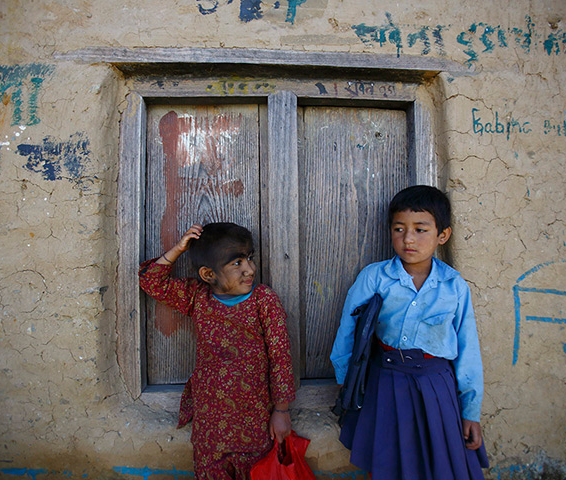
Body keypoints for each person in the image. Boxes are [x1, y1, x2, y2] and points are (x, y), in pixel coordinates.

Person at [330, 185, 489, 480]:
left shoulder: (454, 287)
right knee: (388, 463)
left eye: (421, 229)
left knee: (440, 463)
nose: (408, 239)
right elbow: (348, 330)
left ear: (443, 235)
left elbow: (468, 350)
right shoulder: (375, 277)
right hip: (385, 381)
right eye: (399, 229)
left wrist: (471, 411)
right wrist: (345, 380)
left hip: (436, 385)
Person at [139, 222, 296, 480]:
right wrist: (179, 249)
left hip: (254, 419)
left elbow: (280, 357)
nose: (249, 269)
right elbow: (151, 282)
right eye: (237, 264)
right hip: (210, 422)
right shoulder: (198, 297)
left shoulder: (264, 301)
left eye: (249, 259)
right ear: (208, 274)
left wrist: (281, 410)